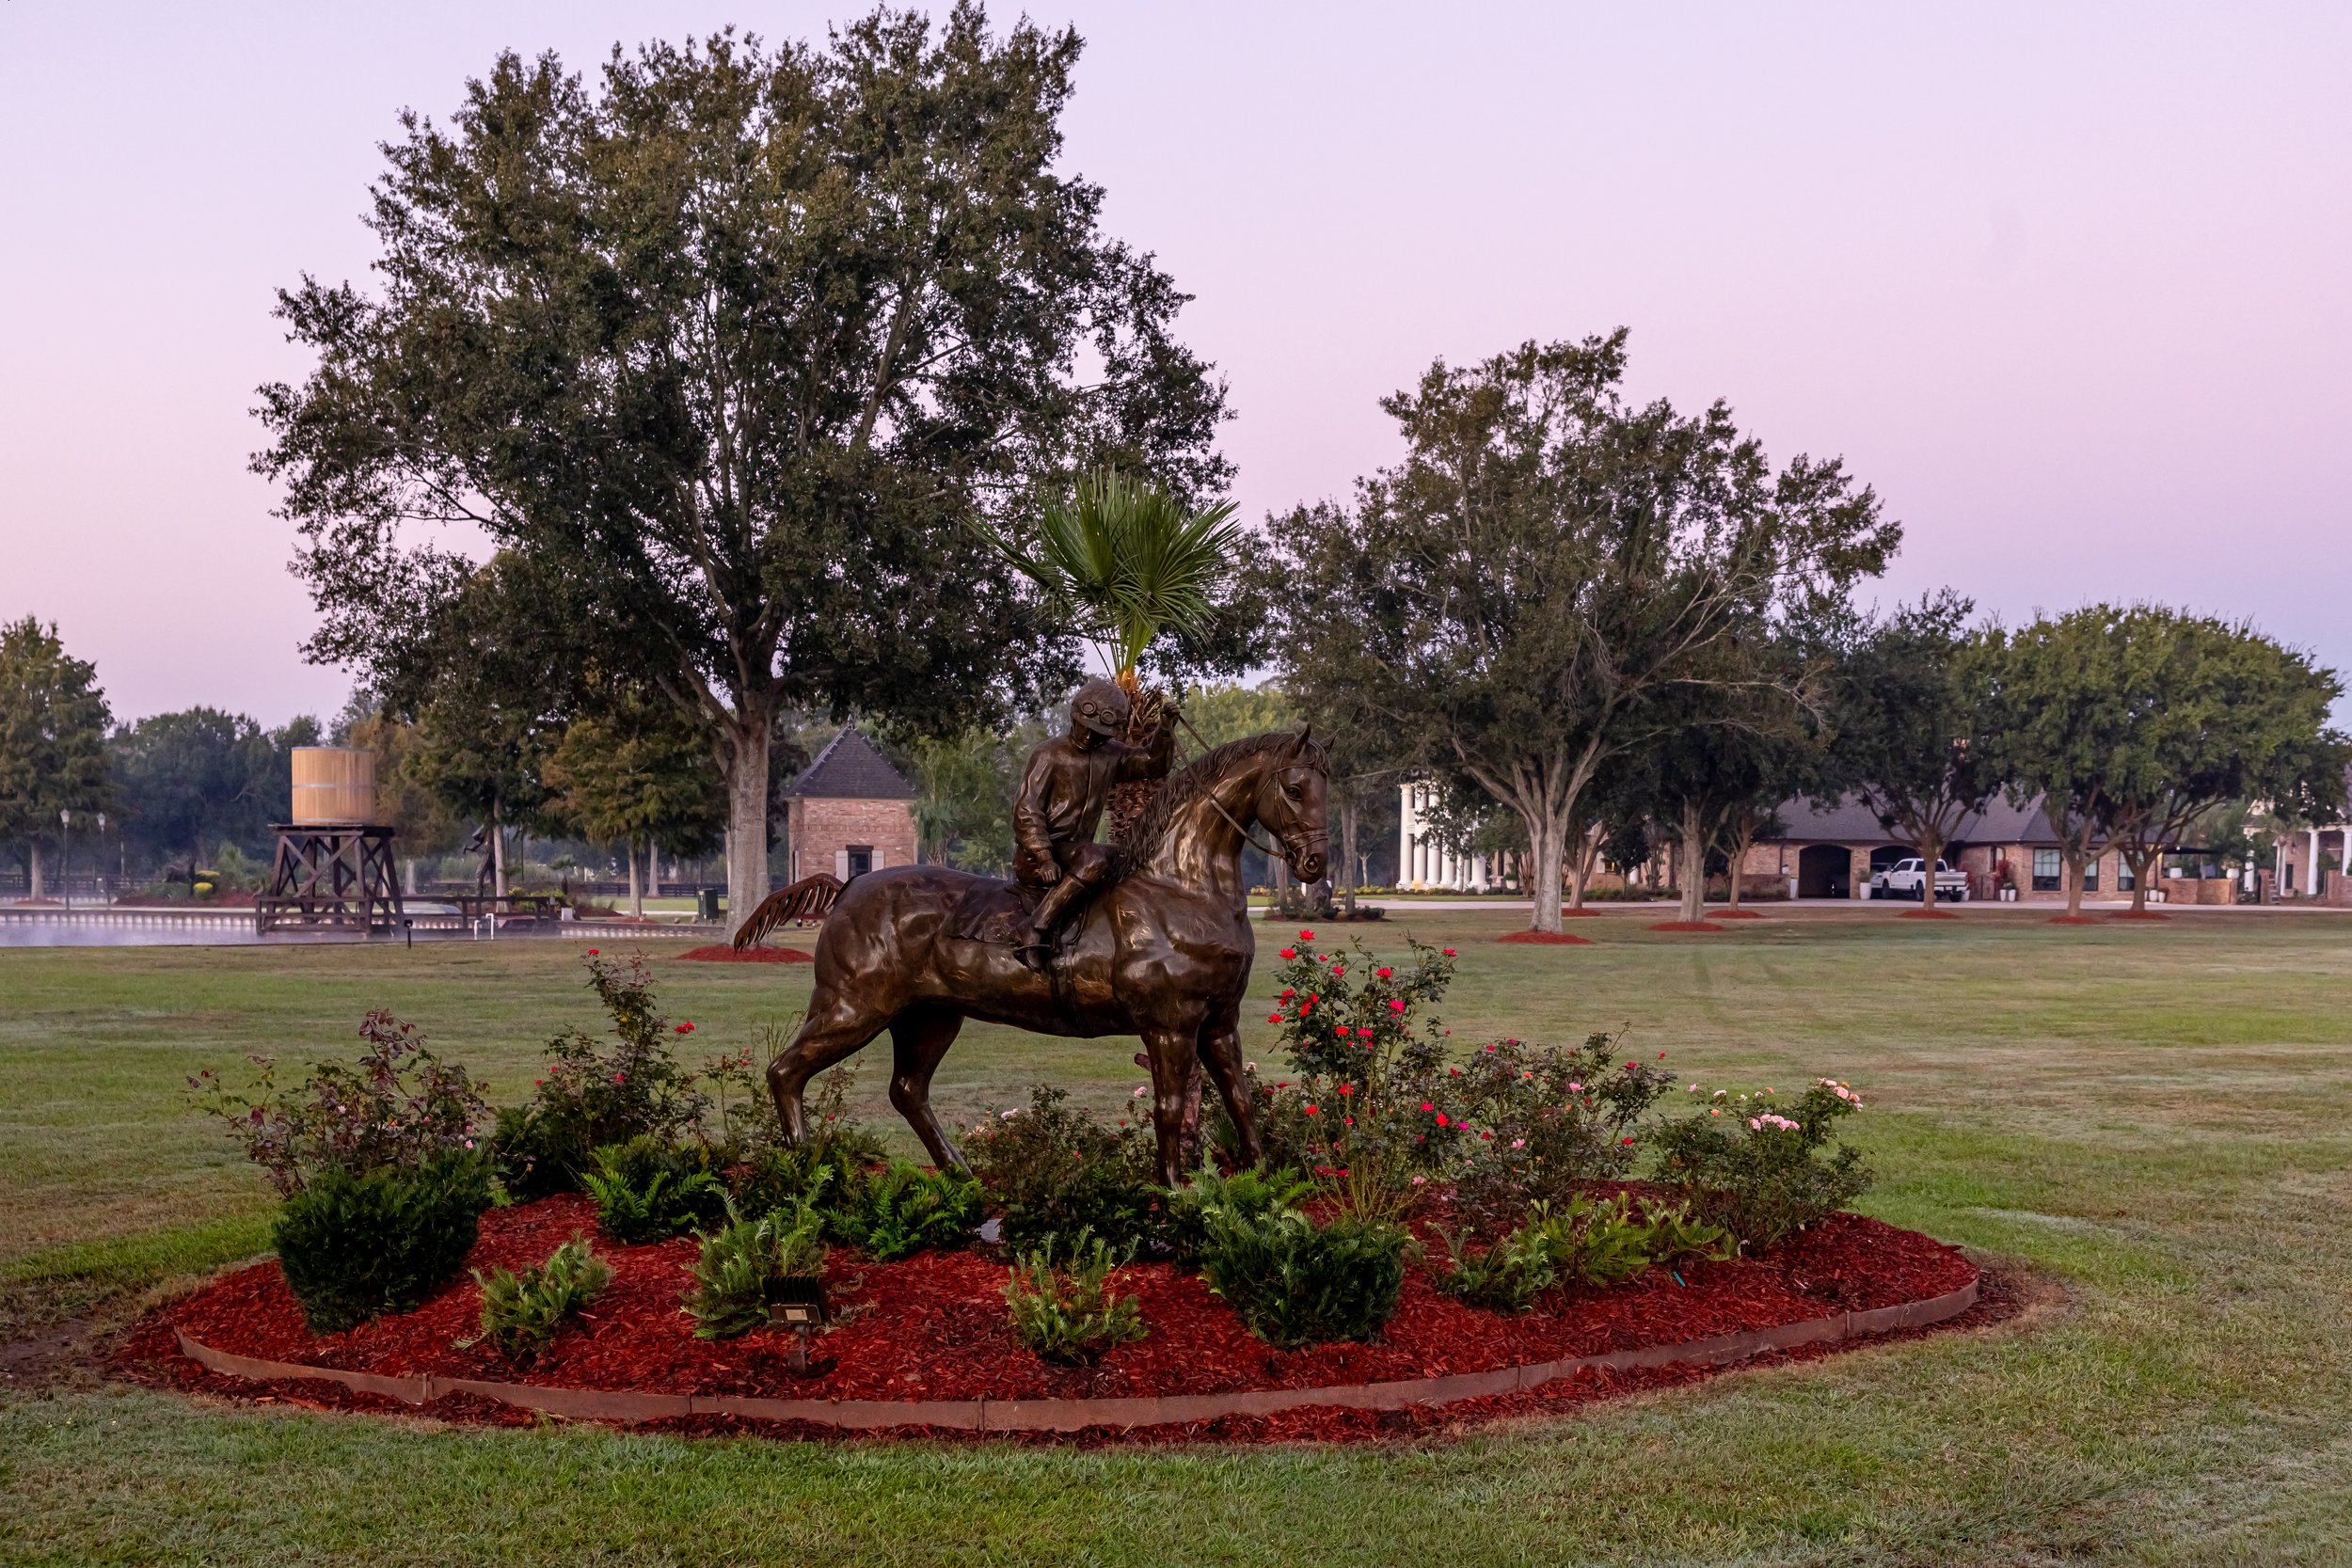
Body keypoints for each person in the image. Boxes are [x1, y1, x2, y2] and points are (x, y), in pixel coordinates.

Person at [1011, 677, 1175, 972]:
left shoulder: (1111, 755)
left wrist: (1164, 728)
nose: (1089, 738)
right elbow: (1026, 810)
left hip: (1078, 855)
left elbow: (1154, 764)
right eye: (1085, 728)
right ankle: (1034, 928)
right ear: (1075, 718)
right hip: (1039, 858)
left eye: (1098, 734)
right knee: (1097, 856)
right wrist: (1044, 855)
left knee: (1124, 857)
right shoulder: (1049, 753)